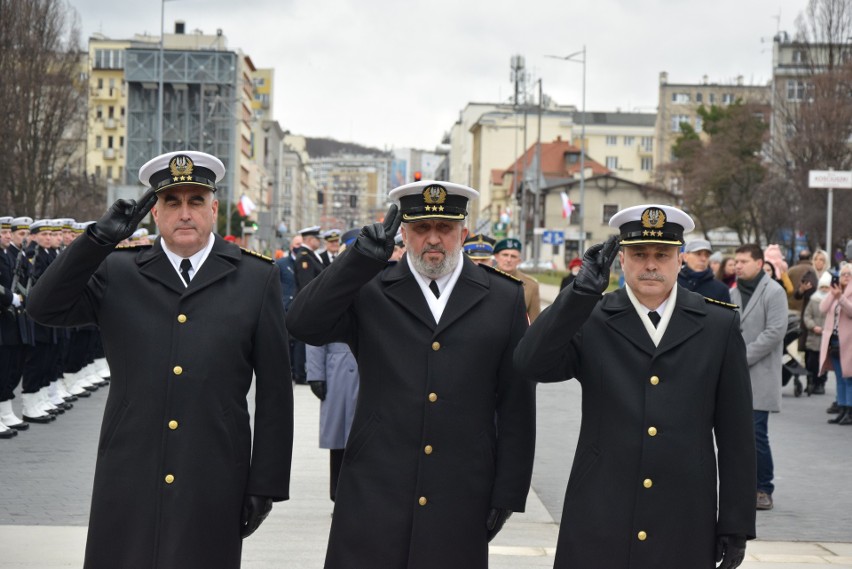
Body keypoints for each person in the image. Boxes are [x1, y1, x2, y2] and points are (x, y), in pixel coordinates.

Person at [27, 150, 294, 569]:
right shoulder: (118, 271)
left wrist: (266, 482)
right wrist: (96, 240)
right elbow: (43, 307)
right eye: (172, 202)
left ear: (214, 208)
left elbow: (277, 392)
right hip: (130, 469)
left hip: (213, 473)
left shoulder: (255, 279)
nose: (184, 213)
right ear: (155, 212)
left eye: (195, 201)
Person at [286, 180, 536, 569]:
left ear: (463, 233)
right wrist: (358, 261)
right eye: (421, 228)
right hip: (375, 484)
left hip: (461, 488)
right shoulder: (370, 288)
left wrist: (508, 491)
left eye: (444, 229)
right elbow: (303, 324)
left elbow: (517, 400)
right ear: (403, 233)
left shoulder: (502, 298)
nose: (433, 239)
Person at [514, 204, 755, 569]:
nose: (651, 264)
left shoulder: (717, 325)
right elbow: (530, 363)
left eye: (662, 254)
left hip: (684, 513)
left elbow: (736, 433)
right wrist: (579, 294)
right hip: (601, 509)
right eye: (639, 254)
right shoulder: (592, 316)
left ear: (680, 259)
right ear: (621, 260)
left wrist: (736, 523)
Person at [729, 243, 788, 512]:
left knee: (756, 435)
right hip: (733, 377)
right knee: (737, 436)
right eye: (736, 261)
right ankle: (743, 488)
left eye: (742, 261)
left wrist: (741, 356)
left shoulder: (774, 291)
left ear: (759, 263)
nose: (737, 265)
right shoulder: (732, 292)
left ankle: (764, 488)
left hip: (760, 375)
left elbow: (775, 333)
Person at [306, 229, 361, 502]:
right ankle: (338, 494)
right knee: (340, 439)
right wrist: (316, 373)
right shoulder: (331, 283)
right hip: (338, 370)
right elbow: (314, 332)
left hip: (370, 372)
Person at [820, 264, 852, 425]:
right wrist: (833, 295)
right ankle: (842, 408)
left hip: (849, 343)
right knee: (839, 377)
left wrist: (841, 297)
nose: (845, 276)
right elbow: (822, 307)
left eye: (849, 274)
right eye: (843, 274)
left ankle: (850, 410)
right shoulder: (836, 291)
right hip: (834, 342)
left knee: (848, 377)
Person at [493, 237, 541, 322]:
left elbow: (535, 321)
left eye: (513, 256)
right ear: (496, 257)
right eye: (505, 255)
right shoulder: (485, 277)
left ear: (519, 260)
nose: (509, 260)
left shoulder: (531, 285)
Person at [803, 272, 832, 396]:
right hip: (813, 336)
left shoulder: (832, 300)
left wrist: (826, 328)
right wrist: (813, 326)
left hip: (826, 337)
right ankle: (811, 382)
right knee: (811, 362)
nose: (824, 290)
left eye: (827, 287)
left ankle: (820, 383)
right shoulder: (813, 300)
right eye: (822, 287)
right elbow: (807, 315)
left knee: (823, 363)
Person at [677, 238, 731, 303]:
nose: (703, 259)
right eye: (698, 254)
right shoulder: (673, 283)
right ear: (685, 257)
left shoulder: (721, 289)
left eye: (707, 255)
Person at [294, 225, 325, 291]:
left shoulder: (310, 255)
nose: (319, 241)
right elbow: (306, 284)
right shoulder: (305, 257)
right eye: (317, 239)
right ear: (310, 240)